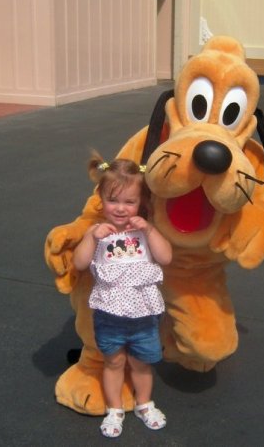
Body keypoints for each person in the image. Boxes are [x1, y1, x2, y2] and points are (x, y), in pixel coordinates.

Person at [73, 155, 172, 438]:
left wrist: (149, 229)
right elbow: (80, 264)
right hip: (110, 316)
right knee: (114, 363)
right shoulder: (97, 232)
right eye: (113, 200)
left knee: (141, 364)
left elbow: (165, 257)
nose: (120, 208)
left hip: (144, 317)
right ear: (101, 198)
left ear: (141, 202)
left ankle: (144, 403)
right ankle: (114, 408)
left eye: (129, 202)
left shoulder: (144, 231)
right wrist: (91, 238)